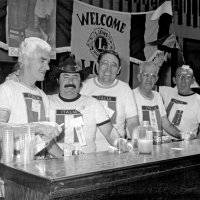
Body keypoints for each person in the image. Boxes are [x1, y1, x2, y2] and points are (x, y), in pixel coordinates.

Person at [48, 54, 132, 154]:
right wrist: (62, 157)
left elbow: (109, 132)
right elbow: (42, 138)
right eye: (66, 77)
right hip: (56, 164)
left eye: (75, 77)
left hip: (88, 165)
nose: (70, 81)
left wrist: (121, 143)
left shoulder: (93, 103)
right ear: (58, 80)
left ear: (80, 82)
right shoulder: (47, 102)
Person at [0, 37, 62, 158]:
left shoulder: (42, 95)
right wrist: (37, 127)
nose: (48, 67)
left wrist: (67, 158)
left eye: (48, 62)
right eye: (42, 60)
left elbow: (45, 141)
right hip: (13, 173)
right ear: (24, 60)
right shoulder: (7, 89)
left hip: (39, 172)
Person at [80, 50, 139, 151]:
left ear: (119, 69)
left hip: (116, 148)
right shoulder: (83, 86)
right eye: (105, 63)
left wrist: (137, 143)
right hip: (87, 150)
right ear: (97, 66)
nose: (109, 69)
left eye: (114, 65)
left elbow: (132, 122)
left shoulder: (124, 89)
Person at [133, 61, 182, 139]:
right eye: (146, 75)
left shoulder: (157, 96)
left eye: (153, 76)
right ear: (139, 77)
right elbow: (132, 127)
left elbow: (166, 124)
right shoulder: (131, 96)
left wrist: (183, 135)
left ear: (156, 79)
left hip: (157, 144)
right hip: (140, 145)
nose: (149, 79)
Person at [158, 65, 200, 138]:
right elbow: (147, 87)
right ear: (174, 80)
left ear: (192, 80)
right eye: (179, 77)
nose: (183, 80)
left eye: (187, 77)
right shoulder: (167, 91)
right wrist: (157, 67)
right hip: (164, 142)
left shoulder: (198, 100)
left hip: (185, 144)